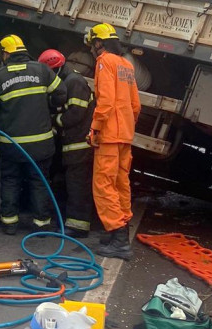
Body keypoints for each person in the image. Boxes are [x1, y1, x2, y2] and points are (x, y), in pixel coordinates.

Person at [0, 35, 67, 235]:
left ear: (5, 54)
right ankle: (41, 223)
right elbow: (61, 93)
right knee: (39, 181)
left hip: (11, 144)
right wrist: (46, 106)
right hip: (41, 143)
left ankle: (9, 223)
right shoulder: (42, 70)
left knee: (10, 180)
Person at [84, 23, 141, 260]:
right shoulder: (127, 65)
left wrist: (95, 128)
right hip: (125, 134)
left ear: (99, 43)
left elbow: (105, 101)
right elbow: (136, 105)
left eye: (92, 44)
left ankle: (118, 238)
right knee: (120, 184)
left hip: (109, 135)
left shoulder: (104, 61)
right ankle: (119, 231)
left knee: (103, 185)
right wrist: (127, 127)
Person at [38, 49, 96, 239]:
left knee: (77, 186)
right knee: (68, 184)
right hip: (72, 146)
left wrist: (54, 120)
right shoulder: (67, 81)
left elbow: (76, 114)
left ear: (55, 69)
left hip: (80, 146)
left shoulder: (75, 82)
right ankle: (68, 220)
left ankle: (79, 226)